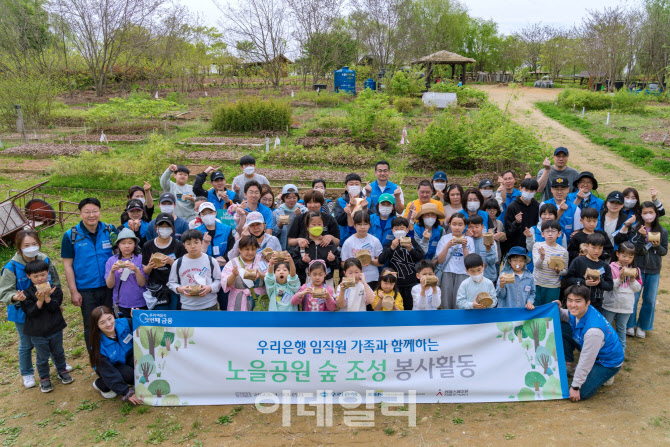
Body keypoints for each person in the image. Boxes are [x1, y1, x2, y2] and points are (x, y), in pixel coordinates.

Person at [0, 229, 65, 388]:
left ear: (39, 244)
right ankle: (27, 373)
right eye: (26, 245)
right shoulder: (12, 267)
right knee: (26, 343)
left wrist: (56, 303)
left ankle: (59, 365)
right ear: (19, 247)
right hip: (23, 312)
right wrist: (15, 297)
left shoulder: (45, 260)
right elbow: (4, 292)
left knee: (51, 338)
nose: (31, 247)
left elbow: (55, 282)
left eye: (34, 244)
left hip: (47, 309)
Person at [61, 197, 117, 345]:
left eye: (95, 211)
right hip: (86, 290)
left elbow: (120, 254)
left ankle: (113, 355)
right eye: (87, 212)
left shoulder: (110, 230)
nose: (91, 215)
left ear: (100, 212)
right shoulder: (70, 236)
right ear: (80, 213)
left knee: (112, 322)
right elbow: (68, 266)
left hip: (109, 286)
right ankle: (96, 360)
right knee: (91, 325)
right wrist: (74, 292)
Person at [559, 285, 624, 400]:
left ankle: (606, 375)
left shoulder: (593, 331)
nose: (573, 305)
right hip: (592, 346)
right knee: (562, 326)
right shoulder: (579, 311)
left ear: (587, 302)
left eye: (578, 301)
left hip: (606, 361)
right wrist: (556, 309)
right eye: (570, 300)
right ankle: (570, 363)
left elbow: (586, 360)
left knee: (581, 394)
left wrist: (575, 386)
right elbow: (565, 315)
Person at [20, 260, 72, 393]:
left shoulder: (55, 289)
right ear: (28, 276)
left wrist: (48, 298)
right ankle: (44, 378)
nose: (39, 279)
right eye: (35, 276)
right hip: (37, 332)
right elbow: (30, 312)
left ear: (48, 273)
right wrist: (40, 300)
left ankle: (62, 370)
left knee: (58, 352)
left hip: (55, 328)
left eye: (42, 275)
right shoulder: (26, 294)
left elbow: (55, 308)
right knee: (42, 357)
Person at [626, 201, 668, 338]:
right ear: (640, 214)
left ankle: (643, 326)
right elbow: (634, 250)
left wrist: (656, 245)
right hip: (637, 268)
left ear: (656, 214)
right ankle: (630, 324)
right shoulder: (635, 228)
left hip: (654, 269)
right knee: (633, 297)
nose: (648, 215)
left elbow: (664, 252)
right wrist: (641, 237)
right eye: (645, 213)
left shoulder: (662, 231)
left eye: (651, 212)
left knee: (649, 299)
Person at [88, 306, 141, 404]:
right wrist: (126, 392)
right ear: (96, 325)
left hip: (127, 356)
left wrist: (138, 318)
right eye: (102, 322)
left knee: (141, 363)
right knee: (129, 374)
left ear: (113, 316)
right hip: (109, 367)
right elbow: (108, 371)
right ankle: (101, 384)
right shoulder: (98, 346)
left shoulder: (124, 323)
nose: (108, 324)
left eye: (109, 319)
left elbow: (144, 327)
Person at [377, 216, 424, 310]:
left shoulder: (412, 242)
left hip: (411, 283)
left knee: (409, 307)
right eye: (396, 229)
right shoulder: (390, 244)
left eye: (401, 228)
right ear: (392, 231)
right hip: (395, 284)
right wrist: (391, 248)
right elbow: (381, 260)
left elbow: (421, 257)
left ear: (407, 230)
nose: (399, 231)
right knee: (396, 307)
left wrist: (411, 250)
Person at [168, 229, 221, 311]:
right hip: (187, 306)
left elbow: (219, 280)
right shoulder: (178, 263)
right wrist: (180, 289)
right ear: (184, 245)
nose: (192, 246)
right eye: (188, 244)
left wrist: (209, 288)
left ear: (202, 243)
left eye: (196, 242)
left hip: (209, 305)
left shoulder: (211, 261)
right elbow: (171, 283)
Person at [142, 213, 186, 311]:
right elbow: (145, 271)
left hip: (174, 288)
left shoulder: (178, 245)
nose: (164, 229)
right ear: (156, 228)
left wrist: (171, 262)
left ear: (173, 228)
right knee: (161, 317)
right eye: (161, 226)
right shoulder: (148, 246)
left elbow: (183, 270)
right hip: (157, 289)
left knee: (175, 316)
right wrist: (150, 266)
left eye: (167, 226)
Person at [602, 242, 642, 350]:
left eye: (630, 257)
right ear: (617, 254)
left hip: (626, 305)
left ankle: (621, 350)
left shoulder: (636, 270)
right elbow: (610, 286)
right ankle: (604, 349)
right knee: (607, 327)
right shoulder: (611, 267)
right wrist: (620, 279)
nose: (627, 259)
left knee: (622, 328)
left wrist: (633, 279)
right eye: (624, 256)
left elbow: (637, 288)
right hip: (611, 303)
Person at [105, 228, 147, 318]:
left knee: (141, 330)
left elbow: (142, 283)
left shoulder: (141, 258)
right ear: (118, 245)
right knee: (125, 329)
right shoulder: (112, 261)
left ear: (135, 244)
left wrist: (136, 270)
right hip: (121, 303)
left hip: (140, 302)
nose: (127, 246)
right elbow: (109, 285)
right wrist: (112, 272)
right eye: (123, 243)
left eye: (130, 243)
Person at [565, 233, 613, 312]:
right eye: (593, 247)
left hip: (596, 303)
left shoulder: (605, 266)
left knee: (593, 324)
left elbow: (610, 286)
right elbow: (569, 279)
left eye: (600, 248)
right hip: (578, 301)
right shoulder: (578, 261)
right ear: (587, 246)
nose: (596, 251)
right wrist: (584, 282)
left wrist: (599, 282)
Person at [435, 213, 474, 309]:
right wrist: (447, 246)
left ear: (465, 226)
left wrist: (464, 247)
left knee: (460, 302)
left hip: (463, 274)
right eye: (454, 224)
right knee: (446, 302)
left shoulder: (469, 240)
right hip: (447, 272)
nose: (457, 227)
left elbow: (469, 263)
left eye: (460, 225)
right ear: (449, 225)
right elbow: (440, 260)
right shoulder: (444, 239)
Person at [221, 235, 268, 311]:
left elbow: (270, 278)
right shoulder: (232, 263)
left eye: (253, 249)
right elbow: (226, 283)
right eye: (247, 249)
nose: (250, 252)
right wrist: (234, 275)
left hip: (259, 300)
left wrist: (260, 275)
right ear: (240, 249)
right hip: (238, 300)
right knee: (239, 322)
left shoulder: (262, 261)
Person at [292, 211, 340, 287]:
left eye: (319, 224)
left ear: (323, 226)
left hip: (327, 282)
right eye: (313, 224)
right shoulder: (303, 244)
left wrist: (333, 260)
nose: (317, 227)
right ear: (307, 227)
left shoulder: (329, 243)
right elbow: (295, 266)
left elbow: (338, 265)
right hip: (307, 282)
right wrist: (303, 261)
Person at [340, 210, 383, 289]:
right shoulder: (348, 242)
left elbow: (380, 262)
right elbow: (343, 263)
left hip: (372, 278)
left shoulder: (375, 241)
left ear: (369, 225)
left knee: (371, 300)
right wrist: (355, 263)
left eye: (365, 224)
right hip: (354, 279)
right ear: (354, 225)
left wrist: (369, 261)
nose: (362, 227)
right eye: (359, 224)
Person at [532, 220, 569, 306]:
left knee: (549, 311)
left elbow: (565, 271)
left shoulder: (563, 251)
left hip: (553, 286)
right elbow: (537, 266)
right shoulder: (537, 246)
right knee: (535, 309)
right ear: (542, 234)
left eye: (553, 231)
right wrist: (542, 257)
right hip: (536, 283)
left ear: (559, 234)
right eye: (547, 231)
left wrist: (558, 271)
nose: (550, 234)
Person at [541, 176, 582, 243]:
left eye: (563, 189)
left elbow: (576, 230)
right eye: (556, 189)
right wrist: (561, 211)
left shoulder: (575, 209)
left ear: (568, 189)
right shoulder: (544, 205)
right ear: (551, 190)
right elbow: (543, 225)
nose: (559, 192)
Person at [504, 178, 540, 251]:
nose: (529, 192)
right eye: (526, 190)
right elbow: (508, 231)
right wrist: (516, 223)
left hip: (533, 246)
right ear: (520, 189)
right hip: (516, 247)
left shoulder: (538, 206)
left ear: (535, 192)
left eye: (532, 190)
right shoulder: (512, 207)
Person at [196, 202, 234, 268]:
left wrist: (225, 258)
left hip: (224, 267)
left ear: (215, 213)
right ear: (200, 216)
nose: (207, 216)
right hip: (203, 268)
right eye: (204, 214)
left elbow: (232, 249)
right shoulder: (196, 232)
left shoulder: (226, 229)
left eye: (210, 212)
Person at [334, 173, 368, 246]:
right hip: (345, 240)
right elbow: (339, 221)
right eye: (351, 184)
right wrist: (350, 209)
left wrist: (365, 209)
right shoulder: (340, 201)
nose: (354, 186)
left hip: (365, 241)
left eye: (356, 184)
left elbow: (372, 219)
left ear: (360, 186)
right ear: (346, 187)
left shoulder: (368, 201)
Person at [273, 184, 307, 250]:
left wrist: (300, 216)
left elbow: (306, 229)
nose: (292, 200)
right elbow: (273, 234)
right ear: (283, 198)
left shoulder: (304, 210)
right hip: (282, 247)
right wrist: (279, 225)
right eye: (288, 198)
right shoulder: (277, 212)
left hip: (299, 247)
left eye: (294, 197)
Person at [467, 214, 497, 283]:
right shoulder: (467, 240)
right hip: (472, 279)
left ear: (482, 227)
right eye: (471, 227)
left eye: (477, 227)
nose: (474, 229)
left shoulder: (488, 239)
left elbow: (493, 261)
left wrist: (488, 249)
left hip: (488, 278)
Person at [483, 198, 506, 268]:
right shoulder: (482, 223)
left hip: (497, 255)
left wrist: (502, 236)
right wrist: (493, 237)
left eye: (494, 210)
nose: (492, 212)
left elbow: (504, 238)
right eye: (489, 210)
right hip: (484, 255)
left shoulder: (499, 223)